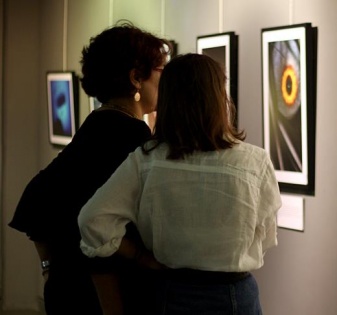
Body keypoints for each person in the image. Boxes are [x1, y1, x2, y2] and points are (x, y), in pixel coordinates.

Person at [78, 53, 282, 315]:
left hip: (172, 292)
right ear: (220, 98)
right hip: (234, 294)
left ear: (168, 99)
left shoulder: (147, 160)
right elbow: (265, 235)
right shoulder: (254, 160)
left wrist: (140, 256)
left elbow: (92, 220)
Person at [9, 21, 171, 315]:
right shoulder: (132, 137)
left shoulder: (98, 124)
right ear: (136, 78)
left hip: (68, 287)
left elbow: (33, 200)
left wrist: (49, 268)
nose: (166, 81)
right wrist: (140, 257)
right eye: (161, 71)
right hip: (108, 294)